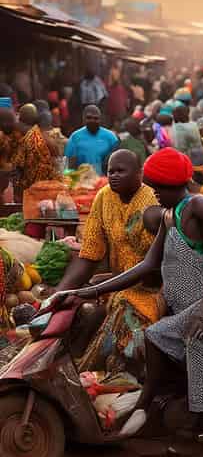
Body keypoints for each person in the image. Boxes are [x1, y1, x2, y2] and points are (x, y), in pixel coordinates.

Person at [56, 148, 203, 457]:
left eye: (157, 188)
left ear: (173, 184)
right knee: (155, 338)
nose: (152, 195)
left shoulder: (200, 207)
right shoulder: (170, 215)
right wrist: (86, 291)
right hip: (183, 312)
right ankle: (156, 409)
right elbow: (146, 266)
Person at [55, 150, 160, 374]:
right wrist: (59, 294)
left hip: (151, 290)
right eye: (110, 171)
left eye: (121, 171)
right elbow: (90, 254)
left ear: (139, 174)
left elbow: (153, 268)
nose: (113, 175)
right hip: (116, 287)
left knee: (120, 321)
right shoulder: (103, 197)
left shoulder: (152, 203)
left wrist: (100, 287)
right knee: (78, 315)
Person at [13, 103, 59, 193]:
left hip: (30, 187)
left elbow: (18, 164)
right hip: (48, 185)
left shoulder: (23, 136)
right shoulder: (47, 138)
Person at [65, 105, 119, 175]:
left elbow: (118, 160)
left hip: (105, 181)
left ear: (100, 119)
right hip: (82, 181)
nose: (92, 121)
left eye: (96, 118)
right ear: (83, 119)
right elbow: (69, 166)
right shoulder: (75, 137)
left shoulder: (111, 137)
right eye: (89, 117)